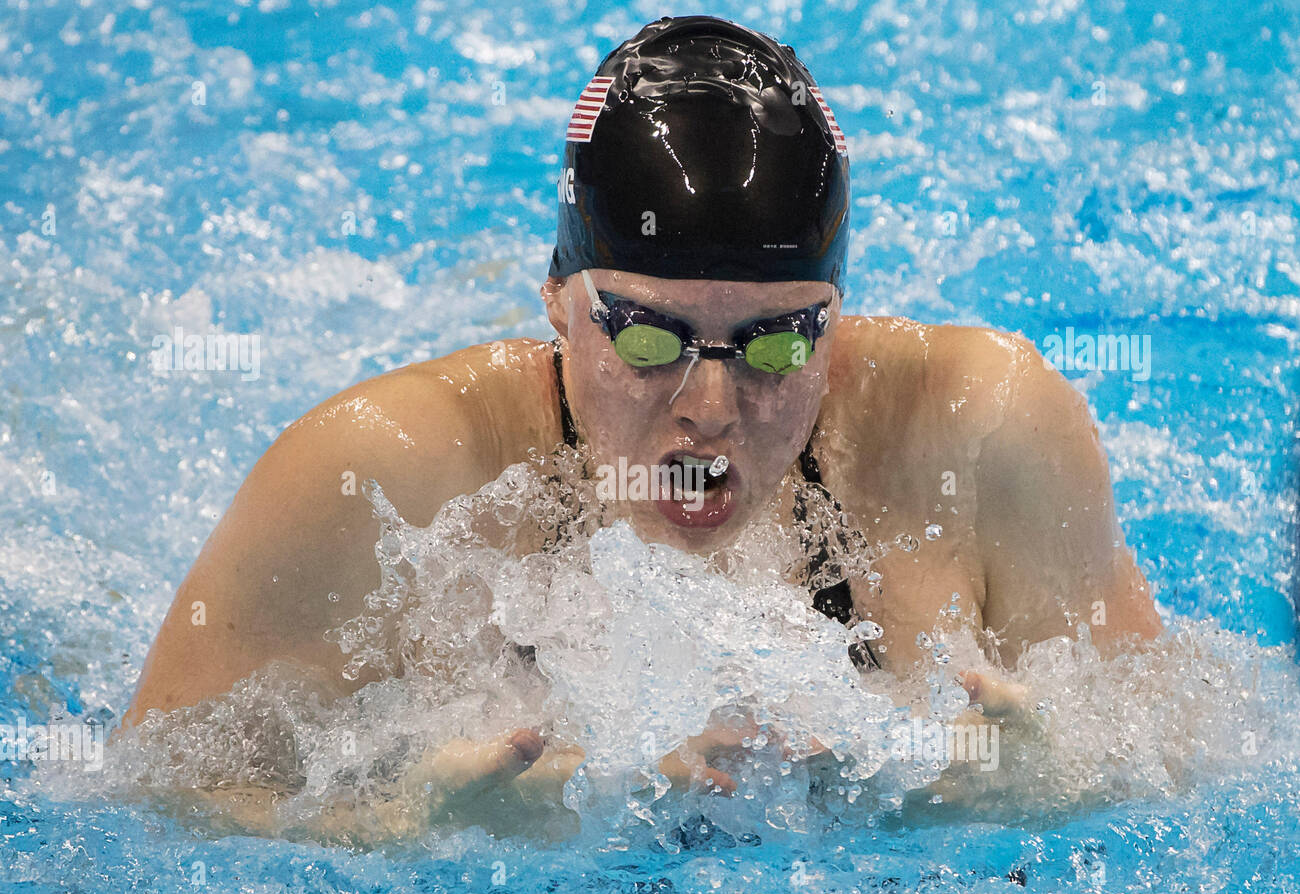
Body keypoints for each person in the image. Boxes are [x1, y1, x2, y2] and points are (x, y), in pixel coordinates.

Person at [122, 15, 1161, 839]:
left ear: (834, 327)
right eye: (649, 339)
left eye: (774, 344)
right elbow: (143, 799)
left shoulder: (986, 430)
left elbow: (1198, 743)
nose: (710, 410)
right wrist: (408, 825)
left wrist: (1052, 781)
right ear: (556, 303)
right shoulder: (380, 474)